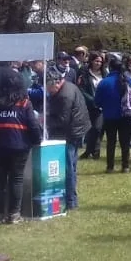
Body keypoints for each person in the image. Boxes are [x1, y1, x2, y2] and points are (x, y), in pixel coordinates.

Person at [0, 67, 43, 224]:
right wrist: (37, 140)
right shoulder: (24, 103)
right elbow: (33, 125)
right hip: (18, 146)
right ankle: (14, 214)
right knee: (16, 179)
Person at [46, 67, 91, 210]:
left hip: (70, 133)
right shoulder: (69, 86)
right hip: (78, 129)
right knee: (72, 165)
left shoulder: (64, 96)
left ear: (55, 83)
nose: (47, 91)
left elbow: (62, 120)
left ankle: (70, 200)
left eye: (48, 88)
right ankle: (71, 198)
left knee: (67, 168)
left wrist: (44, 120)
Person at [95, 56, 131, 173]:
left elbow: (97, 101)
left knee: (111, 142)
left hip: (109, 116)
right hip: (126, 116)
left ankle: (110, 166)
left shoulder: (104, 82)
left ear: (110, 68)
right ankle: (125, 166)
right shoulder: (128, 80)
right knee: (125, 142)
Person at [77, 51, 106, 160]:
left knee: (98, 128)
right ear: (91, 61)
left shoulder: (104, 73)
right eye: (96, 61)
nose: (98, 63)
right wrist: (91, 100)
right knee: (90, 129)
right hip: (89, 105)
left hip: (101, 106)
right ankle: (89, 151)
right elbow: (81, 89)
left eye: (100, 62)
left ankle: (95, 151)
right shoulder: (84, 73)